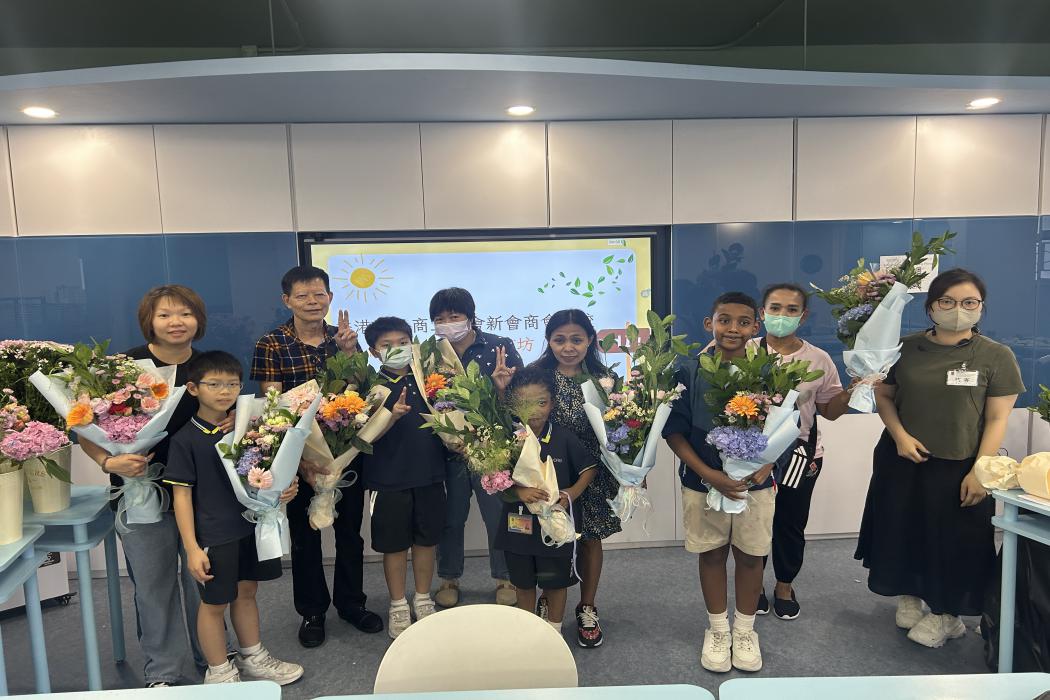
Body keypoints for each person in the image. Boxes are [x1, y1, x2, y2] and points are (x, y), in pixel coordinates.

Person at [858, 268, 1023, 648]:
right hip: (902, 458)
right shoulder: (904, 348)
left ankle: (948, 615)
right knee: (903, 529)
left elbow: (997, 418)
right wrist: (900, 436)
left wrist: (981, 471)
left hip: (959, 465)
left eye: (969, 302)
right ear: (931, 307)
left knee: (956, 540)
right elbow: (884, 396)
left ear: (981, 307)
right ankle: (909, 594)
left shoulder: (996, 356)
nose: (958, 310)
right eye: (947, 301)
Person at [78, 285, 219, 688]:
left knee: (204, 579)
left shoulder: (210, 367)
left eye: (185, 314)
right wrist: (108, 461)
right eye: (165, 315)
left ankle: (213, 658)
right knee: (153, 586)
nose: (176, 322)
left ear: (198, 320)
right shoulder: (123, 368)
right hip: (141, 491)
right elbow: (84, 426)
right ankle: (163, 671)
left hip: (202, 495)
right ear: (149, 321)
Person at [251, 265, 381, 648]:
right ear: (287, 300)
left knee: (350, 535)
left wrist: (349, 353)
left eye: (319, 294)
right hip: (298, 459)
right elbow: (274, 409)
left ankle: (352, 604)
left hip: (345, 454)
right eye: (303, 295)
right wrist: (300, 462)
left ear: (330, 297)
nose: (312, 301)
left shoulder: (344, 339)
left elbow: (362, 394)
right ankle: (312, 611)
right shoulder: (272, 344)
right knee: (305, 538)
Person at [165, 351, 303, 685]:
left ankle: (253, 656)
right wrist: (192, 548)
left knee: (247, 591)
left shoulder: (248, 430)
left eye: (232, 384)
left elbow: (267, 473)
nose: (224, 391)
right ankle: (219, 672)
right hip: (214, 535)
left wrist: (283, 489)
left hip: (251, 527)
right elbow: (181, 496)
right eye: (214, 384)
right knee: (214, 604)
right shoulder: (185, 439)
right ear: (193, 388)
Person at [663, 292, 774, 673]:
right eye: (724, 320)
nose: (733, 329)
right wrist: (708, 474)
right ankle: (718, 629)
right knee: (711, 554)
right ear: (709, 324)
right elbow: (674, 431)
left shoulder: (769, 372)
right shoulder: (688, 371)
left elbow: (788, 426)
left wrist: (768, 463)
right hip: (702, 483)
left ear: (756, 327)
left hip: (755, 485)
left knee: (751, 555)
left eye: (743, 322)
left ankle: (744, 630)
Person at [754, 283, 855, 620]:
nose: (782, 315)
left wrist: (853, 390)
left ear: (803, 316)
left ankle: (785, 585)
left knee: (790, 523)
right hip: (751, 455)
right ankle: (753, 584)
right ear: (762, 313)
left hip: (801, 455)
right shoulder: (745, 351)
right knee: (754, 523)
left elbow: (830, 411)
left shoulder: (818, 359)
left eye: (791, 309)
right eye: (775, 308)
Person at [529, 309, 618, 647]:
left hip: (592, 473)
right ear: (549, 341)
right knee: (548, 540)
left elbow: (620, 425)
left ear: (590, 340)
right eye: (560, 340)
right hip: (546, 474)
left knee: (589, 540)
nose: (568, 347)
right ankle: (547, 598)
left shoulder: (605, 379)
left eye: (577, 339)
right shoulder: (536, 376)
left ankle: (587, 606)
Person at [431, 287, 524, 608]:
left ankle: (505, 577)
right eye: (440, 318)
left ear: (471, 317)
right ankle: (448, 577)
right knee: (450, 517)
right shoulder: (431, 355)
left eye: (454, 316)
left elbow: (520, 398)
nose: (448, 323)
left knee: (497, 516)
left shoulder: (499, 346)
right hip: (449, 452)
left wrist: (502, 390)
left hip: (492, 449)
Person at [361, 317, 447, 638]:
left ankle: (423, 598)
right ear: (374, 351)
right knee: (394, 545)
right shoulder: (370, 386)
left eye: (402, 342)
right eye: (387, 345)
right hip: (387, 478)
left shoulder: (429, 382)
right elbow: (360, 437)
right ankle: (397, 604)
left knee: (426, 541)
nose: (396, 349)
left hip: (429, 474)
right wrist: (389, 417)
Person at [495, 367, 597, 633]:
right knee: (523, 584)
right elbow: (493, 479)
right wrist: (519, 492)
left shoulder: (564, 437)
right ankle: (527, 632)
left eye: (541, 402)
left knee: (556, 584)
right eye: (525, 403)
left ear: (552, 403)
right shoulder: (507, 439)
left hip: (556, 529)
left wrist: (572, 493)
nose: (534, 411)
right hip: (518, 529)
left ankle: (554, 632)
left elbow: (589, 469)